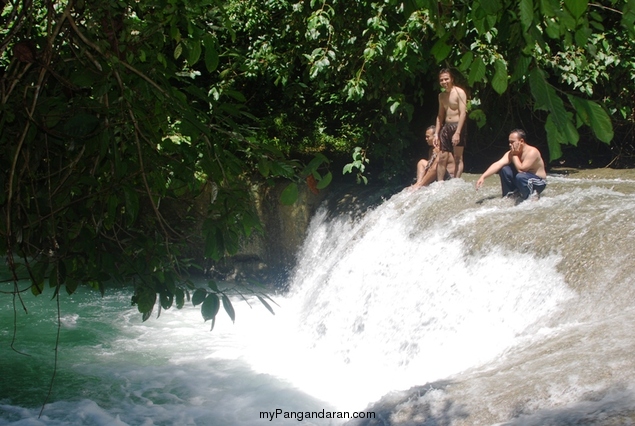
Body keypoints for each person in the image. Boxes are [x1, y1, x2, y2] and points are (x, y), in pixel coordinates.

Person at [475, 129, 547, 200]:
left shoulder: (532, 152)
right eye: (509, 142)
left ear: (521, 141)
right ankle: (509, 196)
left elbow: (521, 170)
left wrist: (514, 155)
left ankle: (529, 197)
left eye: (512, 142)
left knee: (520, 176)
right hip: (523, 178)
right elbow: (498, 164)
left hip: (538, 181)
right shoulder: (511, 153)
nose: (510, 144)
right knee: (504, 169)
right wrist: (483, 176)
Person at [434, 68, 467, 182]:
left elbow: (463, 113)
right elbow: (440, 116)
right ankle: (439, 183)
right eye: (441, 80)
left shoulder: (459, 92)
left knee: (458, 157)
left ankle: (456, 181)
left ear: (452, 79)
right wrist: (436, 134)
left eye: (446, 79)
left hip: (458, 125)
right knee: (442, 157)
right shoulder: (441, 96)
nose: (444, 82)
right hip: (446, 127)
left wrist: (458, 132)